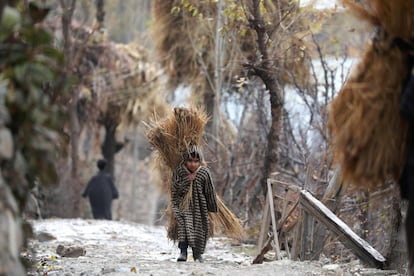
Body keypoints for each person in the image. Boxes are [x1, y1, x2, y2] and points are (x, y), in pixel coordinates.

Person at [171, 146, 218, 263]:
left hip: (200, 208)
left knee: (200, 229)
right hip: (183, 206)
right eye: (190, 161)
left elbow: (209, 191)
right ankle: (183, 252)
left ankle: (197, 254)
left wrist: (212, 207)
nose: (193, 164)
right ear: (185, 161)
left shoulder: (204, 173)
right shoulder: (179, 171)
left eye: (196, 161)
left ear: (200, 161)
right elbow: (174, 189)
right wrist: (187, 179)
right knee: (184, 228)